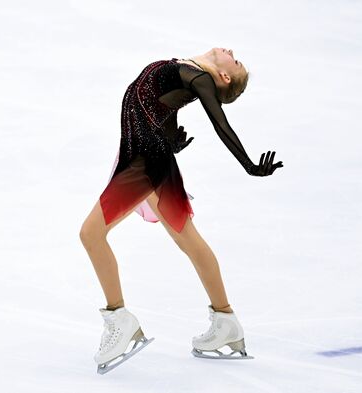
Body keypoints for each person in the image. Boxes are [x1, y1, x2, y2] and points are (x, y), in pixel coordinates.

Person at [79, 47, 283, 373]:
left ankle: (120, 321)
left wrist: (248, 165)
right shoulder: (186, 69)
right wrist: (171, 135)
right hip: (148, 153)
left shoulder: (200, 78)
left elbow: (220, 124)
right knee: (187, 238)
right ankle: (225, 322)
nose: (231, 51)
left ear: (224, 76)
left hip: (144, 162)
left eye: (236, 60)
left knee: (91, 234)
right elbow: (156, 101)